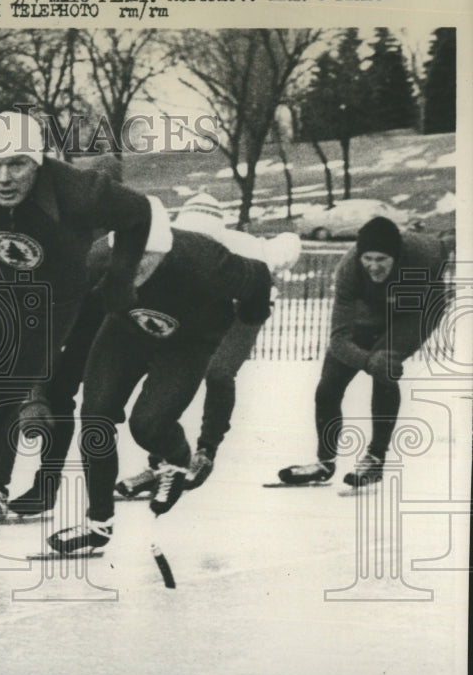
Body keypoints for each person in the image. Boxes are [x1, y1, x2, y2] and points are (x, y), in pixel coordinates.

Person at [0, 111, 165, 582]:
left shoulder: (79, 191)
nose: (5, 178)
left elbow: (140, 213)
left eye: (19, 164)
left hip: (48, 299)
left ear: (40, 161)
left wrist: (121, 281)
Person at [46, 224, 273, 556]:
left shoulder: (204, 259)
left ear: (165, 251)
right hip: (124, 331)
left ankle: (177, 458)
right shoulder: (95, 259)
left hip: (187, 341)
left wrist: (248, 315)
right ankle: (99, 523)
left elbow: (259, 275)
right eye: (126, 256)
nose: (133, 265)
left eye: (146, 257)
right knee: (95, 417)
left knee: (148, 425)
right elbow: (56, 321)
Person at [115, 194, 302, 499]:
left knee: (218, 372)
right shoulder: (172, 247)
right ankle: (164, 459)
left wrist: (276, 261)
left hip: (243, 311)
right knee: (167, 378)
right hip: (200, 311)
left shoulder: (246, 248)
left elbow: (287, 245)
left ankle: (206, 450)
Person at [277, 217, 452, 488]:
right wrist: (367, 361)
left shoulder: (426, 253)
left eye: (381, 259)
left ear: (396, 255)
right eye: (367, 258)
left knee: (385, 368)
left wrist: (379, 362)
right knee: (327, 388)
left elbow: (451, 242)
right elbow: (338, 340)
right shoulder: (348, 269)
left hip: (416, 313)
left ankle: (375, 458)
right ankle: (325, 461)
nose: (373, 265)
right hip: (368, 312)